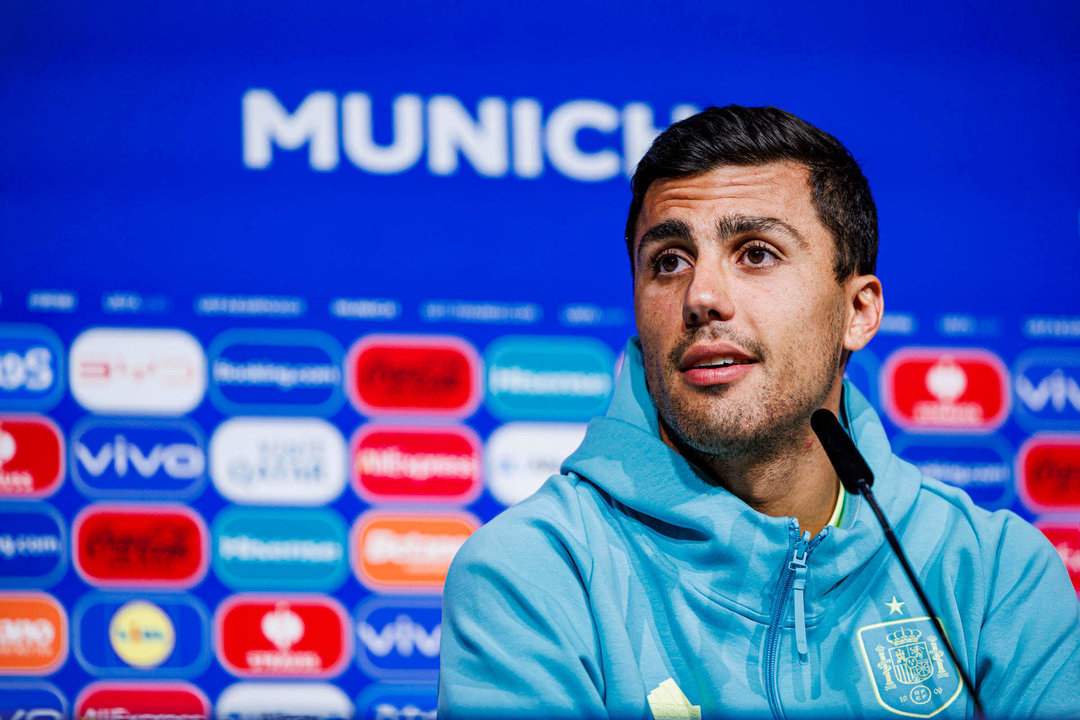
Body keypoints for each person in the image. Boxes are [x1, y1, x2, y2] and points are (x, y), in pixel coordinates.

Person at [437, 106, 1080, 719]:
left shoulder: (994, 573)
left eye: (755, 253)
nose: (702, 296)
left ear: (858, 312)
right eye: (668, 262)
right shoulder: (536, 573)